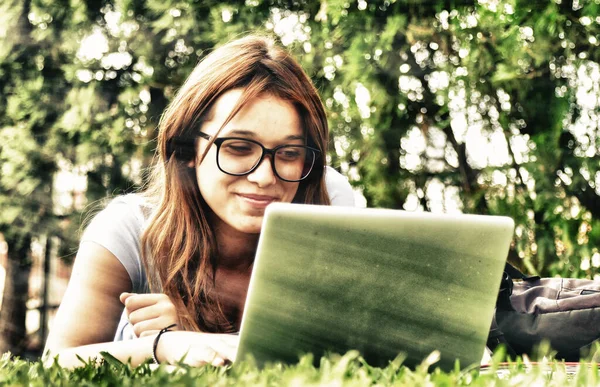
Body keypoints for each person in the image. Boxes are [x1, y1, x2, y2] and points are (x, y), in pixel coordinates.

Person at [43, 34, 355, 368]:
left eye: (289, 153)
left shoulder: (326, 201)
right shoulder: (127, 230)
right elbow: (55, 363)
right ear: (188, 147)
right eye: (237, 147)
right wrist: (167, 345)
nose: (265, 176)